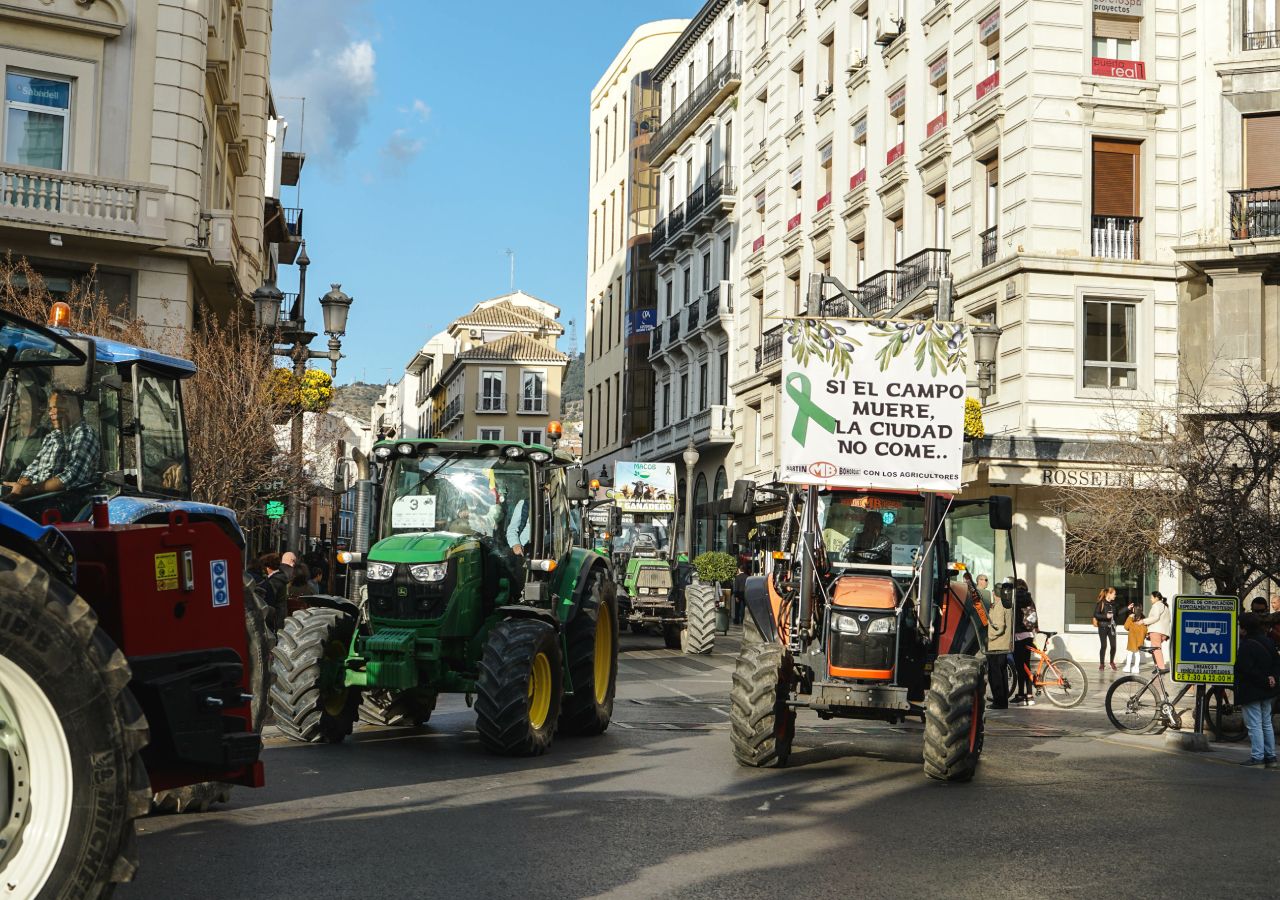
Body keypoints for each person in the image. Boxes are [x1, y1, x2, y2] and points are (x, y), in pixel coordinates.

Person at [4, 391, 100, 498]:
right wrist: (21, 485)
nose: (51, 413)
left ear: (74, 407)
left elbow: (71, 476)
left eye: (56, 407)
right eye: (50, 409)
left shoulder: (84, 433)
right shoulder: (52, 437)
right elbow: (31, 470)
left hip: (65, 503)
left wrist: (28, 490)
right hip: (36, 499)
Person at [1235, 613, 1278, 768]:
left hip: (1251, 689)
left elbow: (1246, 669)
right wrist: (1271, 678)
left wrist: (1263, 679)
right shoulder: (1268, 641)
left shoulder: (1246, 645)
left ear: (1245, 629)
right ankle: (1271, 756)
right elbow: (1275, 662)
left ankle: (1257, 757)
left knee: (1254, 724)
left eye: (1240, 626)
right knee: (1266, 722)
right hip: (1267, 689)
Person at [986, 575, 1013, 709]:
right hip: (1004, 644)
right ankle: (1003, 701)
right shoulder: (1007, 604)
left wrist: (989, 637)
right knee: (1002, 674)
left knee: (995, 675)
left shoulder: (999, 605)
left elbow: (999, 626)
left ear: (994, 593)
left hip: (996, 645)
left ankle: (999, 702)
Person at [1011, 579, 1038, 705]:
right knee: (1026, 666)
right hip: (1029, 635)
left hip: (1018, 636)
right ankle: (1029, 695)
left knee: (1020, 667)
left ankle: (1022, 695)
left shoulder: (1014, 598)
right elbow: (1034, 615)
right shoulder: (1029, 598)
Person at [1140, 591, 1172, 671]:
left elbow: (1155, 617)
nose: (1150, 599)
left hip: (1156, 631)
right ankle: (1158, 667)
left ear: (1156, 598)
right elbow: (1169, 620)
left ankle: (1160, 667)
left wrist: (1143, 621)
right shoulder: (1165, 607)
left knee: (1156, 649)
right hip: (1163, 632)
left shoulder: (1156, 605)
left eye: (1151, 597)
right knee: (1155, 649)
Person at [257, 552, 288, 630]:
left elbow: (269, 599)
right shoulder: (279, 577)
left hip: (275, 617)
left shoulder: (274, 581)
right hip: (280, 613)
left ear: (268, 567)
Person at [1094, 586, 1118, 671]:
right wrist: (1106, 616)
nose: (1115, 595)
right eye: (1114, 594)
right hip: (1103, 627)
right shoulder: (1101, 603)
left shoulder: (1113, 604)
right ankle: (1102, 664)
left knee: (1113, 646)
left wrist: (1127, 608)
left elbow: (1117, 614)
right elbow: (1096, 614)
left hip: (1111, 627)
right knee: (1104, 646)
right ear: (1109, 594)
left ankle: (1111, 662)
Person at [1121, 601, 1147, 674]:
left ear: (1133, 610)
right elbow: (1145, 630)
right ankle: (1136, 667)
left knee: (1129, 653)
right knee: (1137, 654)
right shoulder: (1143, 619)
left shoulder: (1131, 618)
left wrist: (1129, 618)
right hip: (1140, 640)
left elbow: (1126, 627)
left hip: (1132, 640)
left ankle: (1128, 667)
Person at [732, 561, 749, 626]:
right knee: (743, 608)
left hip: (738, 595)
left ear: (739, 569)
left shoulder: (737, 577)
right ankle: (742, 620)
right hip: (745, 595)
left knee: (737, 608)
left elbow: (736, 587)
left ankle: (736, 620)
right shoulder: (747, 577)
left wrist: (736, 596)